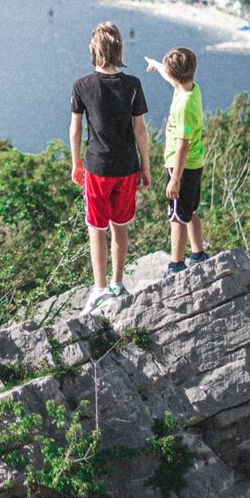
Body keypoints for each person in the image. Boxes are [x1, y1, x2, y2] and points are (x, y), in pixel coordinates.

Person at [70, 22, 151, 313]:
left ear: (95, 50)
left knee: (96, 228)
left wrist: (75, 162)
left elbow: (75, 130)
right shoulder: (132, 85)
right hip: (127, 167)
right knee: (121, 227)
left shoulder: (82, 85)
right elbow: (139, 129)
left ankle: (100, 289)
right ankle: (117, 285)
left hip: (97, 167)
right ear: (119, 51)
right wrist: (146, 166)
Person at [146, 47, 207, 276]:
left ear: (173, 76)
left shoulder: (184, 106)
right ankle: (199, 253)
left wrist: (175, 180)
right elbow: (172, 79)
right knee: (189, 210)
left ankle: (176, 264)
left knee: (176, 217)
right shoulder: (192, 89)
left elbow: (183, 144)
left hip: (181, 165)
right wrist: (157, 65)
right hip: (195, 163)